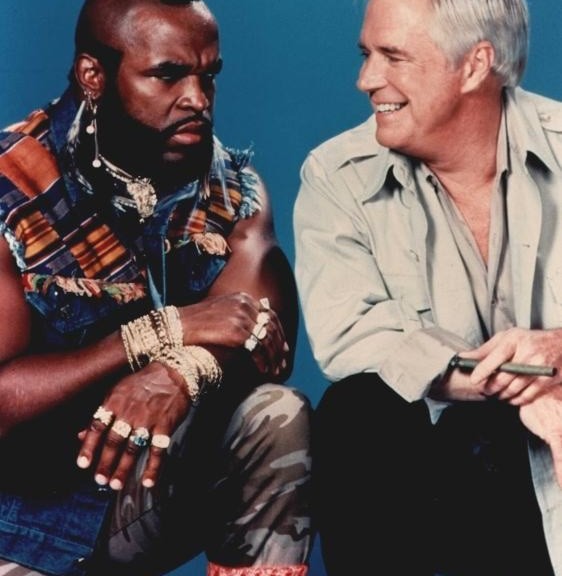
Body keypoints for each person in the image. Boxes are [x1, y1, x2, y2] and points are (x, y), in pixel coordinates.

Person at [0, 1, 312, 575]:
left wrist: (178, 370)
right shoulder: (11, 189)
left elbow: (266, 339)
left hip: (137, 490)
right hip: (20, 526)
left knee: (274, 414)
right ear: (93, 75)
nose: (197, 99)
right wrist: (156, 334)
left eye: (208, 76)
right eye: (168, 75)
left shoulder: (229, 186)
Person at [294, 0, 562, 574]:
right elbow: (352, 336)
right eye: (367, 54)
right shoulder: (336, 176)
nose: (366, 79)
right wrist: (528, 385)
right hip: (447, 471)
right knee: (360, 410)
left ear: (475, 66)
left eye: (393, 57)